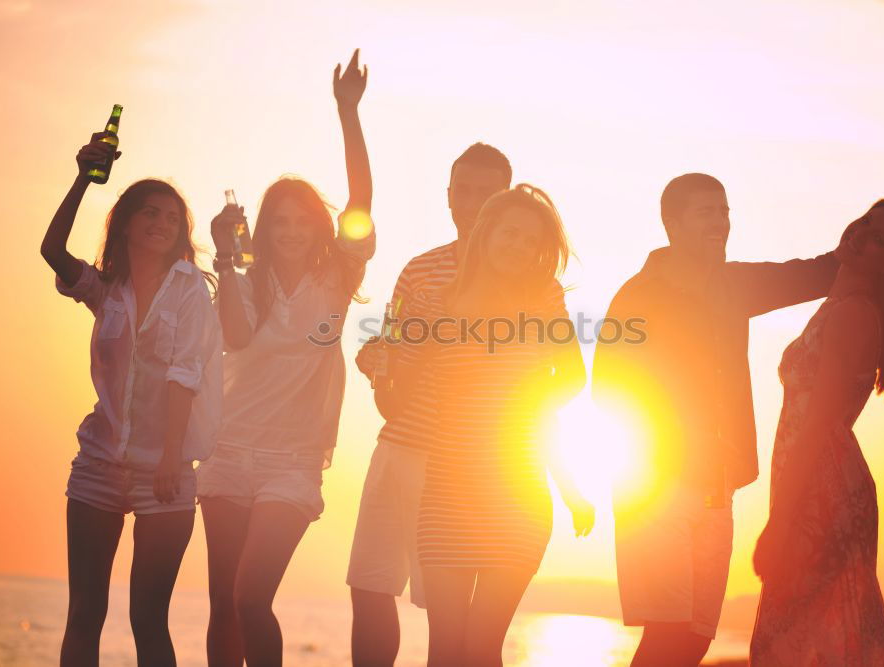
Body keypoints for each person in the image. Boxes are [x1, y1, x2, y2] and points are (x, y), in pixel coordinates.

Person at [592, 174, 884, 667]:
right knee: (665, 637)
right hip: (656, 489)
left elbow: (822, 270)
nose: (721, 222)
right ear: (672, 223)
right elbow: (608, 388)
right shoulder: (637, 297)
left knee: (693, 642)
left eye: (725, 212)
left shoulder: (734, 284)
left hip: (716, 491)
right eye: (707, 213)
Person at [196, 49, 373, 667]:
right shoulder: (242, 280)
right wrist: (225, 252)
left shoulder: (338, 282)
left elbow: (360, 199)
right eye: (279, 222)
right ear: (263, 229)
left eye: (303, 221)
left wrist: (347, 112)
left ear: (319, 228)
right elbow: (238, 340)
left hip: (293, 463)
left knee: (251, 597)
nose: (292, 231)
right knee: (223, 603)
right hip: (227, 449)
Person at [375, 184, 594, 667]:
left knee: (479, 648)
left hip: (516, 496)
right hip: (446, 492)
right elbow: (397, 393)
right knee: (446, 649)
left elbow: (573, 379)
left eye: (529, 240)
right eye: (508, 233)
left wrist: (515, 408)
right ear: (485, 233)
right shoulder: (440, 302)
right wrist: (379, 364)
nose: (517, 246)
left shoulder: (542, 296)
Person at [749, 194, 884, 666]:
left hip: (821, 491)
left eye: (878, 239)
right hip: (816, 483)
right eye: (864, 221)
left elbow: (818, 425)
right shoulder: (843, 303)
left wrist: (780, 523)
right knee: (808, 643)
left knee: (798, 647)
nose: (862, 235)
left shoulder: (852, 315)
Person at [42, 138, 222, 667]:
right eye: (150, 212)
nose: (163, 222)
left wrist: (170, 456)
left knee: (148, 617)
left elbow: (184, 373)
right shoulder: (106, 289)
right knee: (85, 612)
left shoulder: (191, 289)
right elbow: (52, 251)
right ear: (123, 224)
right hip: (98, 461)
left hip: (164, 469)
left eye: (173, 216)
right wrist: (82, 178)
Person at [346, 142, 513, 666]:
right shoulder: (420, 269)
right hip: (399, 446)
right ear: (447, 196)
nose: (472, 201)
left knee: (452, 617)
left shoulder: (523, 279)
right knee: (370, 586)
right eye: (463, 189)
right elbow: (388, 347)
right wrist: (376, 362)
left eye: (486, 192)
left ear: (506, 200)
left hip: (466, 465)